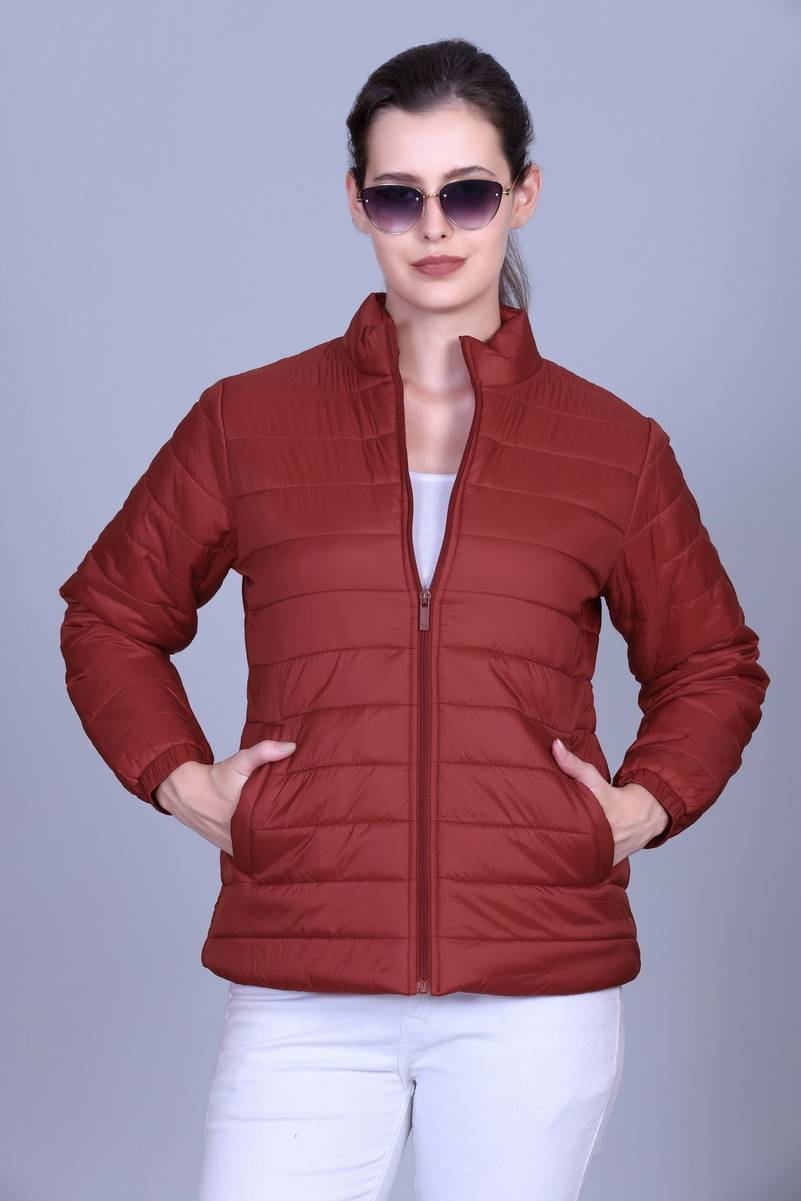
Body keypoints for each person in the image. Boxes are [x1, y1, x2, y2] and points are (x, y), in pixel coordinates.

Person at [57, 37, 770, 1201]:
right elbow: (106, 614)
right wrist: (184, 782)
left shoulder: (613, 447)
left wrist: (639, 806)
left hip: (534, 989)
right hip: (305, 975)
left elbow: (713, 663)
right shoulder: (249, 422)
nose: (434, 227)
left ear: (523, 195)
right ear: (358, 204)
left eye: (468, 193)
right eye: (400, 196)